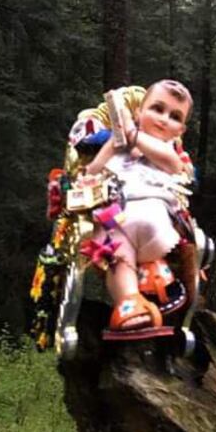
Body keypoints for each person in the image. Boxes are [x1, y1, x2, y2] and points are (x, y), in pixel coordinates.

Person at [83, 79, 194, 334]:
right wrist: (113, 144)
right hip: (117, 218)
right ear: (138, 113)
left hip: (153, 215)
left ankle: (157, 285)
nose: (164, 119)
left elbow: (172, 164)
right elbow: (93, 170)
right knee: (115, 254)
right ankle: (129, 302)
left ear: (180, 131)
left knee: (153, 236)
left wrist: (134, 136)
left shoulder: (167, 150)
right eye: (157, 109)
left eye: (175, 116)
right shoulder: (117, 147)